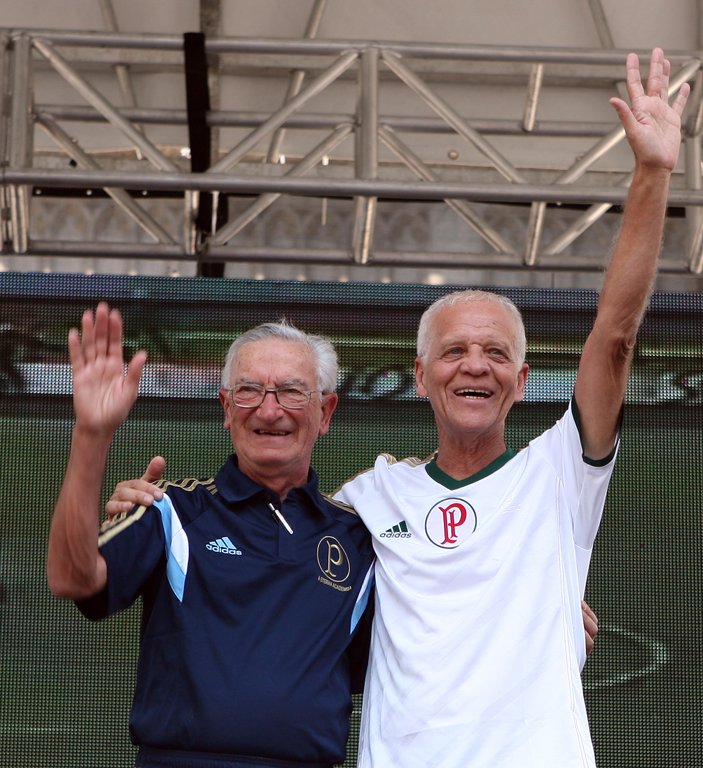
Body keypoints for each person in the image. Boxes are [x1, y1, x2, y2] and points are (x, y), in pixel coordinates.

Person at [103, 47, 683, 768]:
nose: (475, 364)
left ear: (522, 378)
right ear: (421, 377)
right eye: (454, 350)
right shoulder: (366, 502)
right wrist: (139, 502)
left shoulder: (561, 472)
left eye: (495, 353)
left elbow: (615, 335)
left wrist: (652, 171)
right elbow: (268, 556)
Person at [46, 308, 376, 768]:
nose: (269, 410)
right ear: (226, 408)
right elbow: (70, 578)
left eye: (291, 391)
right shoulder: (171, 509)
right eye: (249, 390)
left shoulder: (360, 538)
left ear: (326, 412)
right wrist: (92, 435)